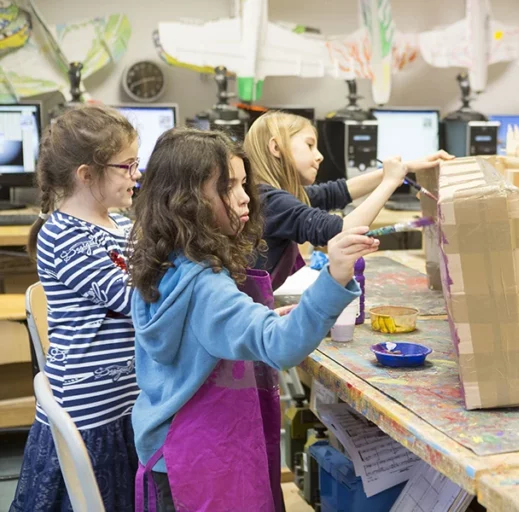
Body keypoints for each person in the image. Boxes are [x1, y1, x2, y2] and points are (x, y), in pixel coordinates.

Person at [128, 128, 378, 511]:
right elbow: (281, 346)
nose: (246, 197)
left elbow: (203, 336)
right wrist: (336, 275)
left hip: (168, 452)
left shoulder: (166, 262)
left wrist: (257, 319)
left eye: (245, 183)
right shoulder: (206, 287)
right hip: (202, 462)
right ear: (187, 201)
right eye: (228, 187)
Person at [11, 106, 140, 511]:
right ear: (87, 175)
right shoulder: (64, 234)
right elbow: (133, 298)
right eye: (127, 165)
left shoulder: (118, 224)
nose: (136, 174)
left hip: (122, 399)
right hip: (91, 410)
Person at [243, 111, 453, 289]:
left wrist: (405, 168)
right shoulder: (270, 201)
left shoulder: (265, 194)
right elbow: (342, 231)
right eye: (309, 145)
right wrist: (389, 182)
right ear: (276, 148)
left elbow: (334, 192)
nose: (319, 156)